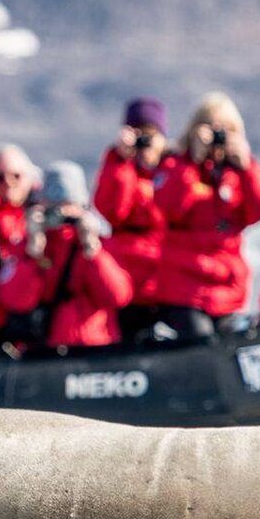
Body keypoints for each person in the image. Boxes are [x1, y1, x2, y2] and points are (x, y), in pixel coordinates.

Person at [152, 92, 260, 341]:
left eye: (226, 131)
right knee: (201, 341)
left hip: (227, 286)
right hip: (184, 287)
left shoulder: (238, 173)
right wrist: (194, 159)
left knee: (229, 345)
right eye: (212, 129)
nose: (218, 138)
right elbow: (168, 207)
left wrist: (247, 167)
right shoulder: (175, 165)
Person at [0, 161, 133, 348]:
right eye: (53, 206)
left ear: (83, 208)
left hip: (93, 348)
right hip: (43, 349)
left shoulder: (101, 243)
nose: (61, 214)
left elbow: (118, 296)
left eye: (68, 205)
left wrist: (92, 250)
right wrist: (33, 253)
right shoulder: (27, 245)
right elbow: (13, 300)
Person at [92, 96, 170, 342]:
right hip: (126, 278)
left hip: (164, 278)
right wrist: (122, 162)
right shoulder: (118, 165)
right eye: (138, 133)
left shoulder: (175, 169)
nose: (144, 140)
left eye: (150, 133)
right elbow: (113, 210)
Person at [0, 144, 41, 344]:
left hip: (33, 321)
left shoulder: (42, 219)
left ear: (29, 178)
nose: (8, 183)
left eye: (16, 176)